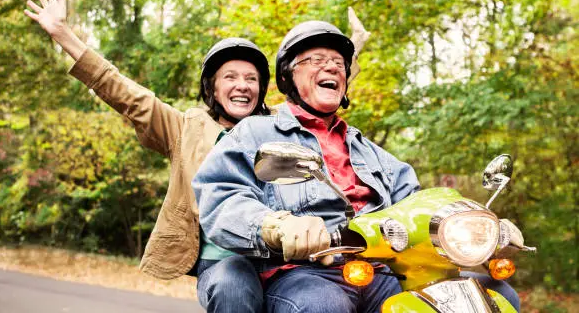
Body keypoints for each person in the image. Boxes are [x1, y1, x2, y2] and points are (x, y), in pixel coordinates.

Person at [193, 20, 521, 312]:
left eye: (339, 63)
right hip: (306, 271)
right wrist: (273, 225)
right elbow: (222, 198)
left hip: (384, 272)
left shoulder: (377, 155)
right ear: (288, 76)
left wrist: (477, 226)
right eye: (317, 60)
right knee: (323, 305)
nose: (332, 68)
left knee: (493, 295)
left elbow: (419, 207)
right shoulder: (255, 132)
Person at [24, 0, 269, 312]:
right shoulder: (185, 128)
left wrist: (343, 61)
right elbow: (124, 92)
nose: (243, 85)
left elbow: (319, 108)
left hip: (280, 258)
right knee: (231, 287)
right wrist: (62, 33)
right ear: (212, 87)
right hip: (223, 264)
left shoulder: (279, 128)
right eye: (231, 77)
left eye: (251, 79)